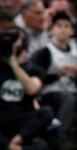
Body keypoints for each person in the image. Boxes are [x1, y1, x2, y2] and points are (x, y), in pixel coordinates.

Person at [30, 12, 77, 140]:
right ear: (52, 29)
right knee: (68, 99)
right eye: (59, 26)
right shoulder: (45, 52)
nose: (63, 29)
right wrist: (57, 74)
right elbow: (37, 78)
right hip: (50, 91)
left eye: (66, 26)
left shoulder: (76, 50)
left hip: (72, 89)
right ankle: (60, 135)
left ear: (72, 31)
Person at [0, 9, 52, 150]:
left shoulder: (34, 69)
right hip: (2, 121)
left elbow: (32, 89)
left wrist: (13, 63)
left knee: (46, 113)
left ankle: (15, 144)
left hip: (22, 122)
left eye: (14, 40)